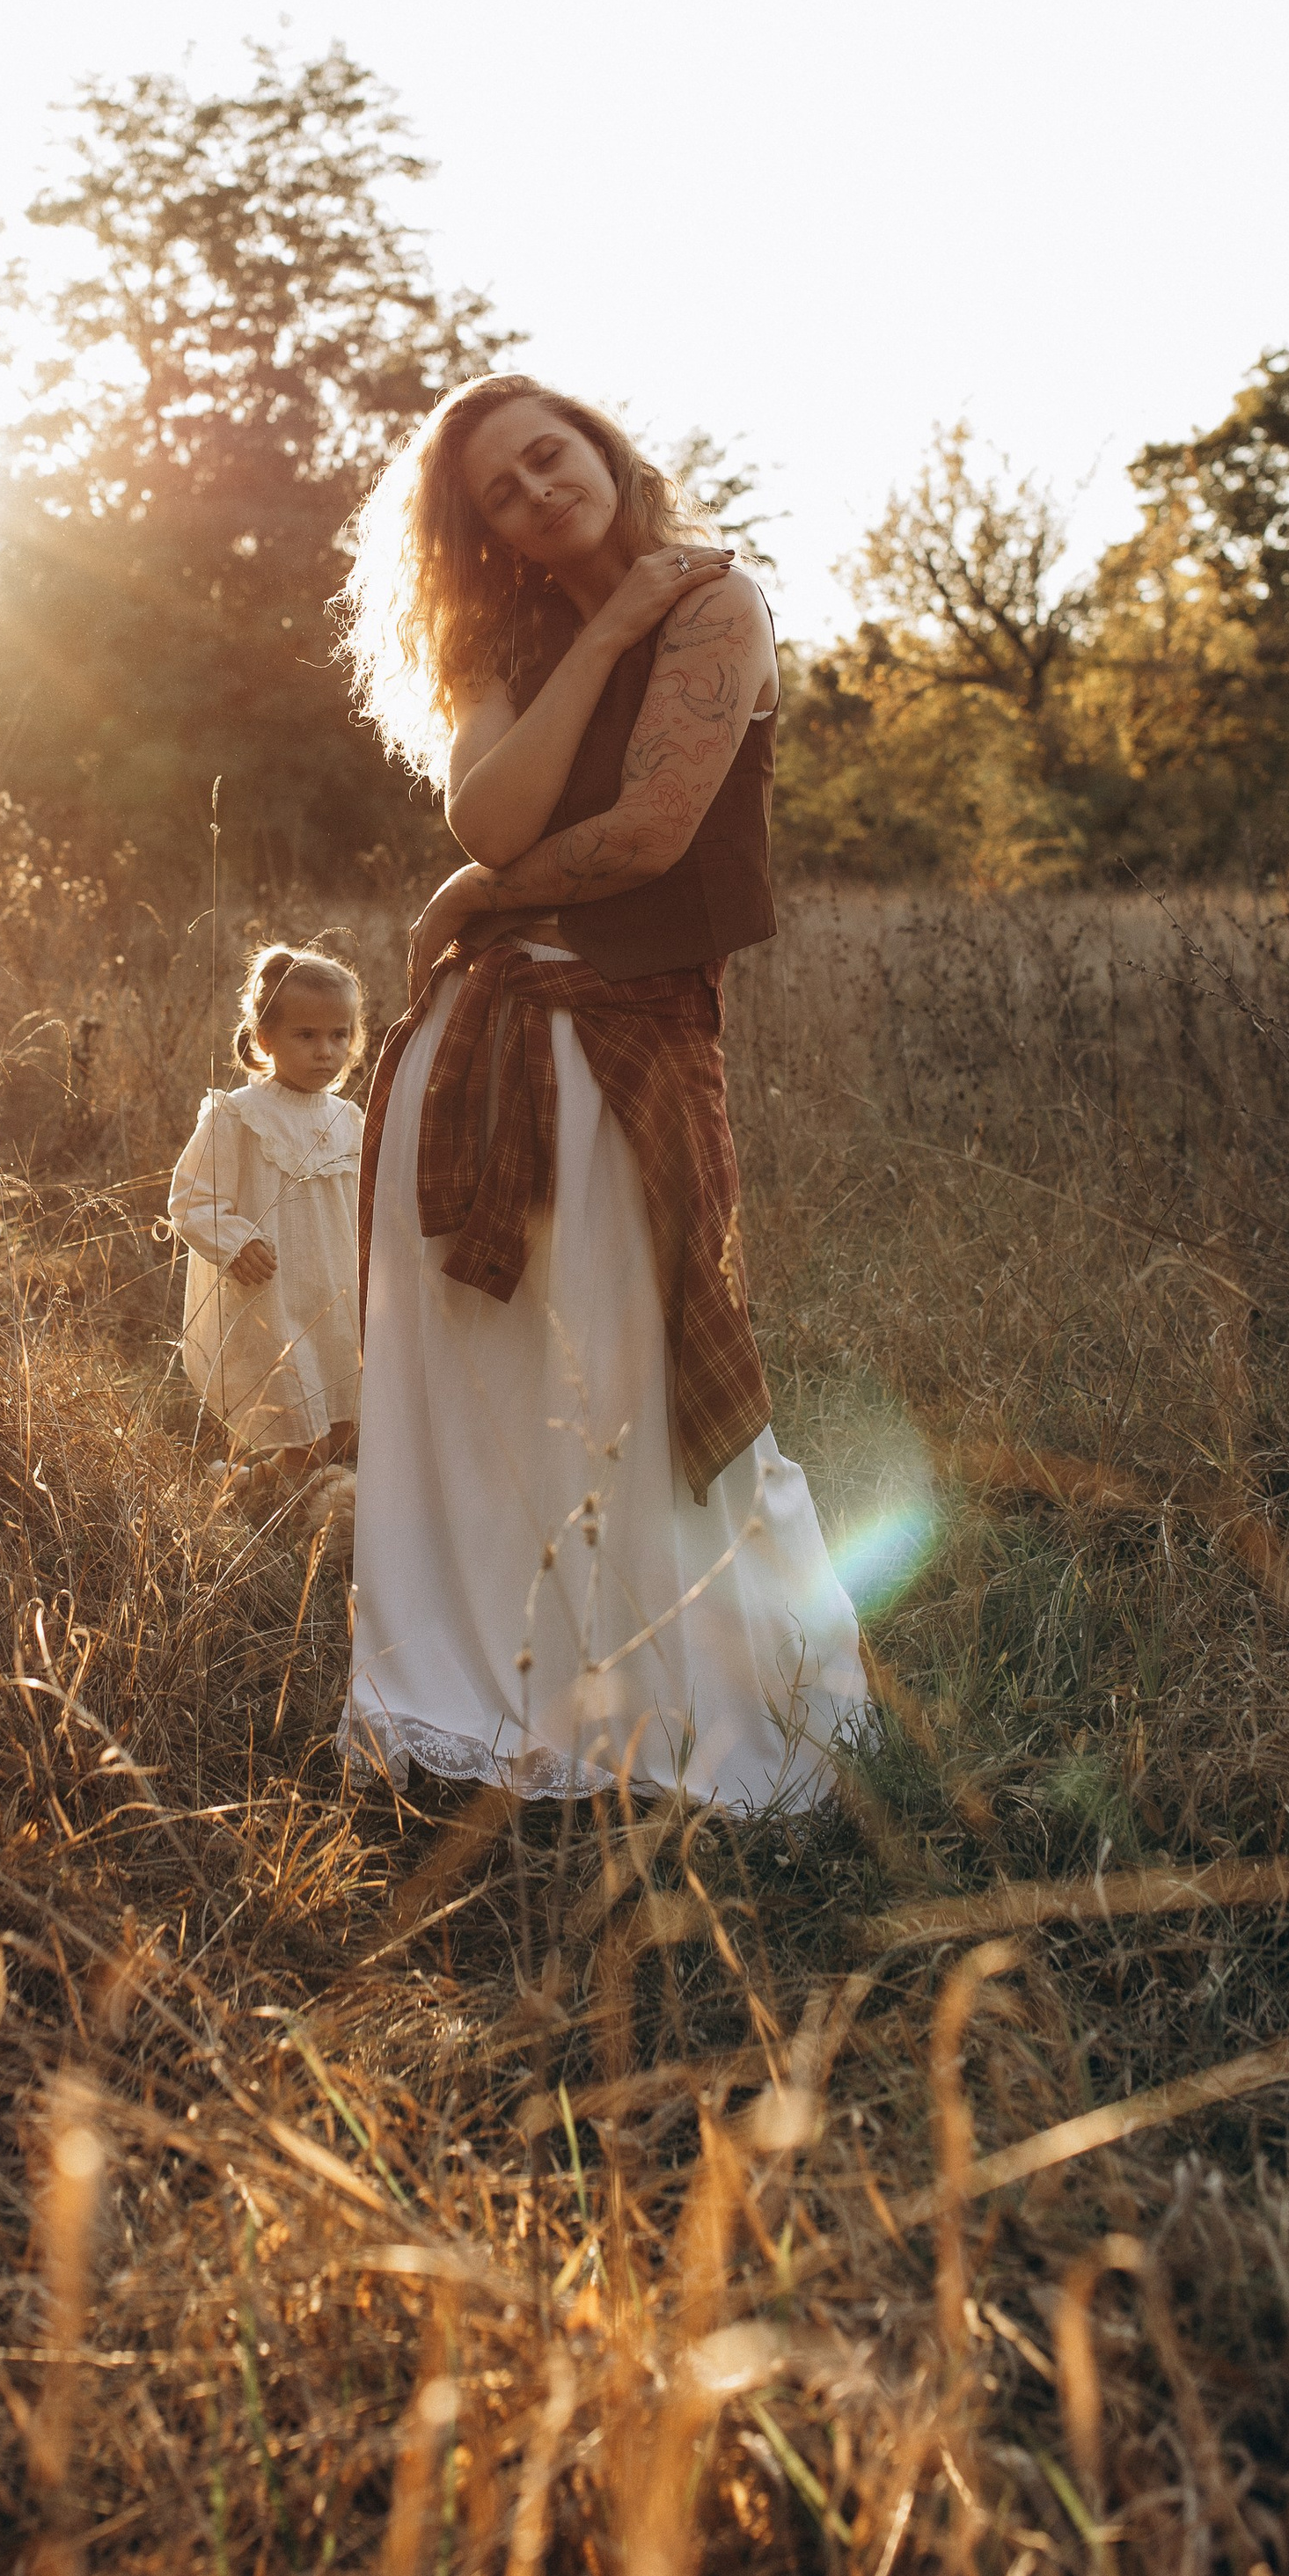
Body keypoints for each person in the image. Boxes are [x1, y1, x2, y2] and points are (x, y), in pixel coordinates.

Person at [331, 374, 865, 1809]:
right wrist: (593, 638)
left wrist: (467, 897)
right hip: (476, 1044)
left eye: (548, 456)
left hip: (618, 1031)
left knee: (642, 1371)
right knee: (472, 1393)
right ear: (479, 529)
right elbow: (494, 818)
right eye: (499, 491)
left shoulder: (718, 607)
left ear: (605, 451)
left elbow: (644, 837)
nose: (535, 493)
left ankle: (712, 1711)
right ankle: (493, 1702)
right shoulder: (501, 637)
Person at [166, 945, 366, 1493]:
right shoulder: (237, 1116)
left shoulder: (350, 1121)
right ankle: (236, 1490)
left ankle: (261, 1492)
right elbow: (190, 1198)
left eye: (339, 1035)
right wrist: (233, 1240)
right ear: (264, 1039)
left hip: (332, 1295)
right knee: (308, 1444)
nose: (326, 1052)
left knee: (345, 1429)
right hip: (269, 1297)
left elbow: (367, 1206)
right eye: (306, 1035)